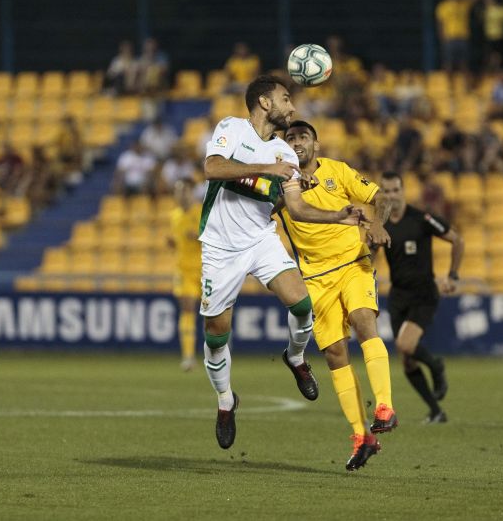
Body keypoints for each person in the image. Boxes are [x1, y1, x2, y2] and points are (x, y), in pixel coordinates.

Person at [199, 75, 364, 451]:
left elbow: (298, 208)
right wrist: (264, 170)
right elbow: (212, 168)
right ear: (264, 103)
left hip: (260, 238)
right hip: (221, 247)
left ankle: (295, 357)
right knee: (214, 334)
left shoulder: (287, 154)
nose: (292, 107)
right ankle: (226, 400)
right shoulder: (233, 129)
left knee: (302, 305)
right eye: (286, 98)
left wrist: (340, 215)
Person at [279, 119, 396, 471]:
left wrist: (377, 223)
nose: (297, 141)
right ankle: (363, 436)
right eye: (290, 138)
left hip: (353, 263)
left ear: (316, 143)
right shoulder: (281, 184)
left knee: (364, 322)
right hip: (315, 276)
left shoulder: (338, 171)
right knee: (333, 353)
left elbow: (380, 198)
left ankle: (385, 407)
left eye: (303, 136)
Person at [377, 172, 463, 424]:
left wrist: (453, 276)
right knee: (407, 362)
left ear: (403, 191)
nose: (391, 196)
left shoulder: (421, 218)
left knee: (405, 345)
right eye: (386, 191)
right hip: (398, 296)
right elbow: (370, 252)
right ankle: (436, 411)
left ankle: (436, 366)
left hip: (423, 294)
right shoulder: (381, 223)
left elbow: (457, 240)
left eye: (395, 190)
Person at [168, 178, 203, 371]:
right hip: (184, 270)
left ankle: (217, 354)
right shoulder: (173, 216)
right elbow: (177, 240)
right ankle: (188, 357)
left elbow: (214, 237)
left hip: (205, 269)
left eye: (183, 191)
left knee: (212, 315)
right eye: (177, 191)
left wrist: (197, 237)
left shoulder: (201, 211)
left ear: (191, 192)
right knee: (188, 309)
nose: (180, 195)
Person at [435, 0, 496, 80]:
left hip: (462, 38)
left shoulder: (464, 4)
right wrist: (442, 38)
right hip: (450, 38)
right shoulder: (443, 6)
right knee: (448, 64)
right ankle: (450, 88)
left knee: (464, 64)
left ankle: (466, 87)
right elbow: (440, 24)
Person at [481, 0, 503, 71]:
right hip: (489, 35)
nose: (488, 1)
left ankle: (497, 67)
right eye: (487, 0)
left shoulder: (500, 9)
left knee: (498, 54)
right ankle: (491, 68)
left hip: (499, 35)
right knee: (489, 54)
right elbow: (481, 18)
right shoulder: (485, 11)